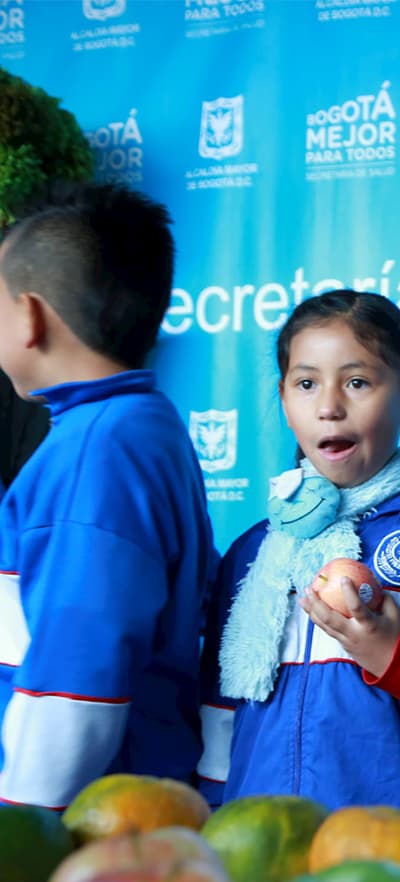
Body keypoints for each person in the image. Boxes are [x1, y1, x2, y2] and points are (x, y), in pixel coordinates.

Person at [200, 290, 400, 814]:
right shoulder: (254, 553)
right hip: (263, 841)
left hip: (397, 845)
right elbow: (219, 716)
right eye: (306, 384)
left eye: (357, 382)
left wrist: (395, 657)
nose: (329, 407)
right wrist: (216, 817)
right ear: (285, 401)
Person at [0, 181, 214, 808]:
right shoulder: (133, 426)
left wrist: (22, 822)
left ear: (31, 316)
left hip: (84, 818)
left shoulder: (99, 447)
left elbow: (79, 665)